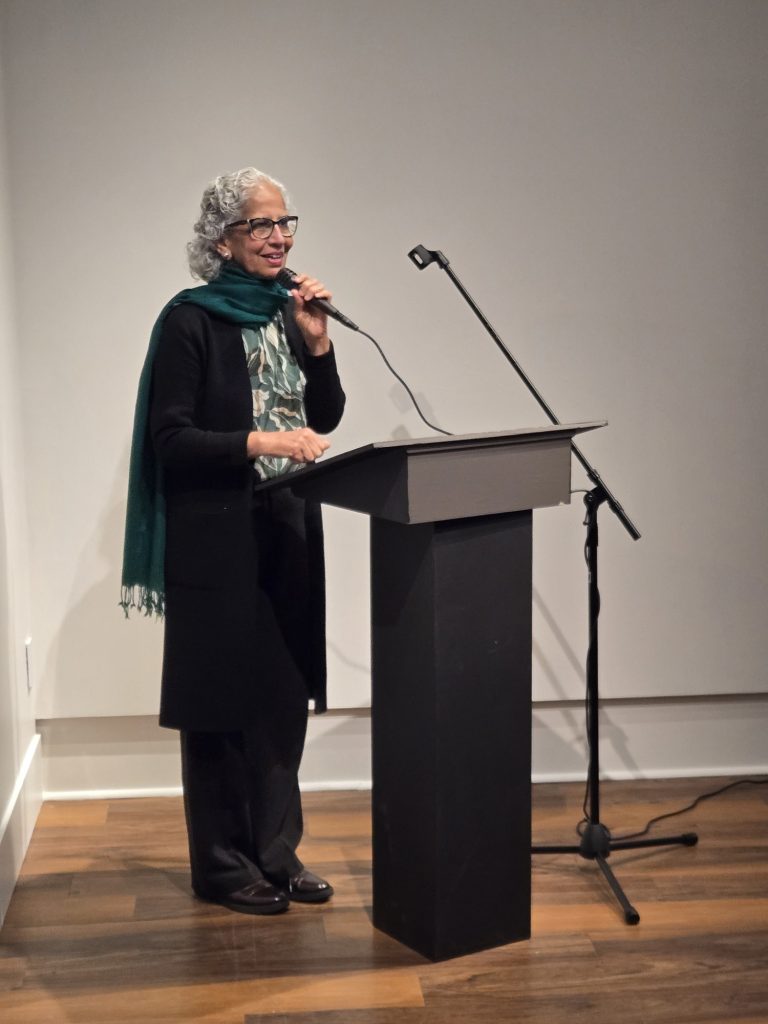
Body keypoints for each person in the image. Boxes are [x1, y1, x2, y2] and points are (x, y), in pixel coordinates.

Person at [121, 167, 346, 915]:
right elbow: (171, 437)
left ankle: (277, 853)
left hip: (287, 524)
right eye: (261, 225)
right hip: (216, 535)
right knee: (219, 700)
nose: (280, 237)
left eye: (286, 223)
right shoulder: (191, 321)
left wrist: (317, 347)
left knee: (282, 694)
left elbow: (329, 415)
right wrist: (259, 440)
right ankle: (221, 867)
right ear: (223, 238)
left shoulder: (288, 312)